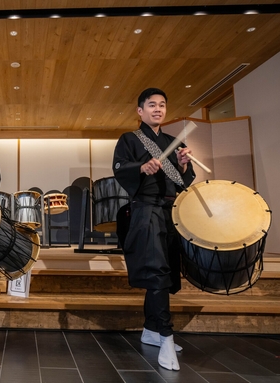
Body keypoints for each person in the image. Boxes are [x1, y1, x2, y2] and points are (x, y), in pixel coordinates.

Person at [113, 88, 195, 371]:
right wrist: (141, 167)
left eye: (162, 105)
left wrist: (183, 167)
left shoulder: (172, 141)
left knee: (168, 272)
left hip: (170, 211)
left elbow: (183, 183)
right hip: (146, 210)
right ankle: (166, 335)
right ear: (140, 111)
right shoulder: (129, 140)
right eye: (151, 105)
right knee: (157, 270)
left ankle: (150, 329)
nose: (158, 109)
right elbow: (120, 168)